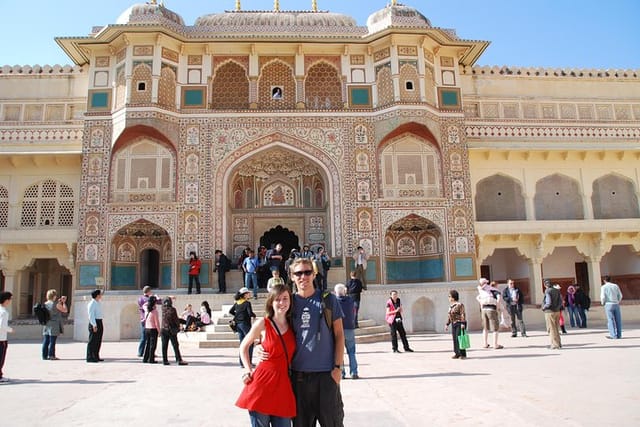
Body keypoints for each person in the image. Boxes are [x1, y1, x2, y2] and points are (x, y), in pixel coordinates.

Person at [288, 257, 345, 426]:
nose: (303, 277)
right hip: (299, 377)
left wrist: (337, 368)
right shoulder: (288, 303)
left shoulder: (328, 300)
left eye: (307, 272)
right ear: (292, 276)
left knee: (332, 422)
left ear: (314, 274)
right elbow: (272, 329)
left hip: (326, 375)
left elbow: (339, 334)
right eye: (298, 273)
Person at [236, 284, 296, 427]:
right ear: (271, 302)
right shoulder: (263, 323)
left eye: (285, 299)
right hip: (261, 386)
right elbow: (243, 346)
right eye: (278, 299)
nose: (282, 303)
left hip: (283, 386)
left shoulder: (294, 323)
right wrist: (247, 369)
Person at [335, 283, 358, 379]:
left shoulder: (335, 302)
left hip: (338, 329)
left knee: (339, 352)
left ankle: (342, 373)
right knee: (351, 352)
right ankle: (354, 372)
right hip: (349, 328)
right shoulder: (350, 300)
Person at [230, 287, 256, 366]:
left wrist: (238, 315)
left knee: (242, 343)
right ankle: (248, 363)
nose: (249, 294)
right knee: (250, 343)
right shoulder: (247, 303)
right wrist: (254, 315)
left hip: (238, 325)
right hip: (245, 324)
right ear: (244, 295)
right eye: (248, 293)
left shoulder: (237, 303)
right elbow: (250, 313)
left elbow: (230, 311)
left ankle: (242, 363)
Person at [476, 278, 503, 349]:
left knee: (485, 328)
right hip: (491, 309)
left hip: (484, 309)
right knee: (495, 328)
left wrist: (481, 304)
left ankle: (485, 343)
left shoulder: (481, 291)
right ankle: (495, 344)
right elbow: (499, 298)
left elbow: (478, 298)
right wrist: (498, 306)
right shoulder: (493, 290)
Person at [161, 297, 188, 366]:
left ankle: (165, 360)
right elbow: (176, 320)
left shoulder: (163, 309)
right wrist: (179, 326)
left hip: (163, 329)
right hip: (171, 330)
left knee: (164, 345)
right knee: (175, 345)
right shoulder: (172, 310)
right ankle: (178, 359)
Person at [42, 289, 68, 360]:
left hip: (47, 324)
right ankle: (51, 355)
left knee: (46, 340)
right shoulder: (55, 304)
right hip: (54, 324)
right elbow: (65, 310)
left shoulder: (45, 303)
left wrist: (59, 302)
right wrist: (63, 302)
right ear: (54, 296)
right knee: (52, 341)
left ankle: (44, 355)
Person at [444, 289, 467, 359]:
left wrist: (463, 323)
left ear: (453, 297)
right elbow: (449, 316)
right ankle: (457, 353)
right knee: (455, 338)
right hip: (454, 323)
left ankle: (462, 354)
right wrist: (447, 324)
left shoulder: (459, 305)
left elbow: (462, 314)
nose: (448, 298)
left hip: (460, 323)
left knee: (459, 338)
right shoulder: (451, 306)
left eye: (449, 296)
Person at [542, 279, 563, 349]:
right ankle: (559, 343)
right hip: (557, 311)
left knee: (551, 328)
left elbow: (548, 302)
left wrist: (544, 307)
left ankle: (554, 345)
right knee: (556, 328)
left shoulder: (547, 291)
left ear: (545, 285)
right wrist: (557, 307)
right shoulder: (557, 290)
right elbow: (560, 301)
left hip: (549, 311)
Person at [86, 289, 104, 363]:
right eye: (100, 294)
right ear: (97, 295)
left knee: (98, 340)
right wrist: (94, 325)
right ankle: (90, 357)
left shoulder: (98, 303)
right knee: (92, 341)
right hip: (94, 322)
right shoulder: (92, 304)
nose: (101, 295)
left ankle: (96, 356)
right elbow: (91, 315)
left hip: (99, 321)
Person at [0, 291, 14, 384]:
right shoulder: (4, 312)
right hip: (1, 338)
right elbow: (1, 325)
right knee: (1, 358)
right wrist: (10, 330)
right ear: (6, 300)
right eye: (10, 299)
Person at [142, 295, 161, 363]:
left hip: (147, 328)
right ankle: (151, 359)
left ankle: (145, 358)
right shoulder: (154, 311)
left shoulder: (147, 309)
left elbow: (144, 304)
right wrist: (159, 331)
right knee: (153, 345)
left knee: (148, 345)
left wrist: (149, 300)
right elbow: (157, 323)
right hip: (153, 329)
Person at [137, 285, 153, 357]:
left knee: (144, 336)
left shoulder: (140, 299)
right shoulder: (147, 299)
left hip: (143, 319)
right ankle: (143, 352)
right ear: (149, 291)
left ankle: (141, 352)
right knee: (147, 337)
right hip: (147, 319)